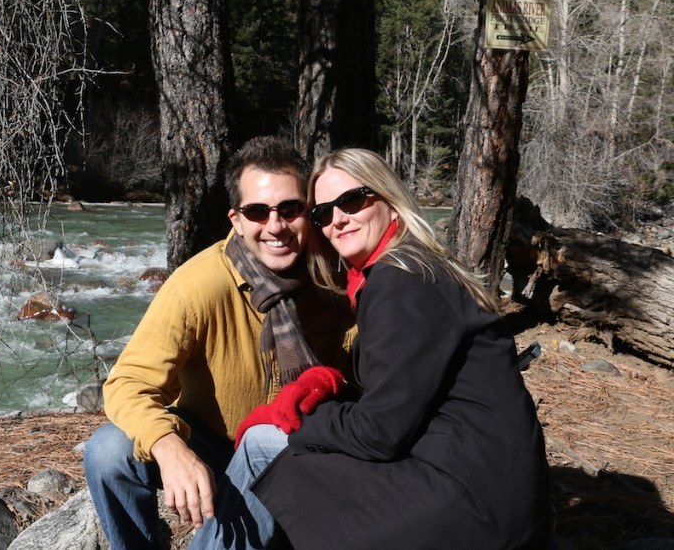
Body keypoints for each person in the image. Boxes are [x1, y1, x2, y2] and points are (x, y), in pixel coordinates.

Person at [236, 148, 552, 549]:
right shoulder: (410, 267)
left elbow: (379, 432)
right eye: (322, 212)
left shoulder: (402, 280)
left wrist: (300, 418)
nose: (337, 219)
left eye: (352, 200)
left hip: (471, 504)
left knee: (260, 443)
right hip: (494, 488)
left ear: (389, 200)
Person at [83, 136, 355, 549]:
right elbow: (127, 384)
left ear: (309, 212)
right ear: (236, 219)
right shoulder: (200, 284)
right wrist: (168, 445)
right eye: (258, 211)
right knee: (108, 451)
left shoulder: (336, 283)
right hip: (215, 444)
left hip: (295, 451)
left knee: (270, 450)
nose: (275, 226)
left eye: (290, 209)